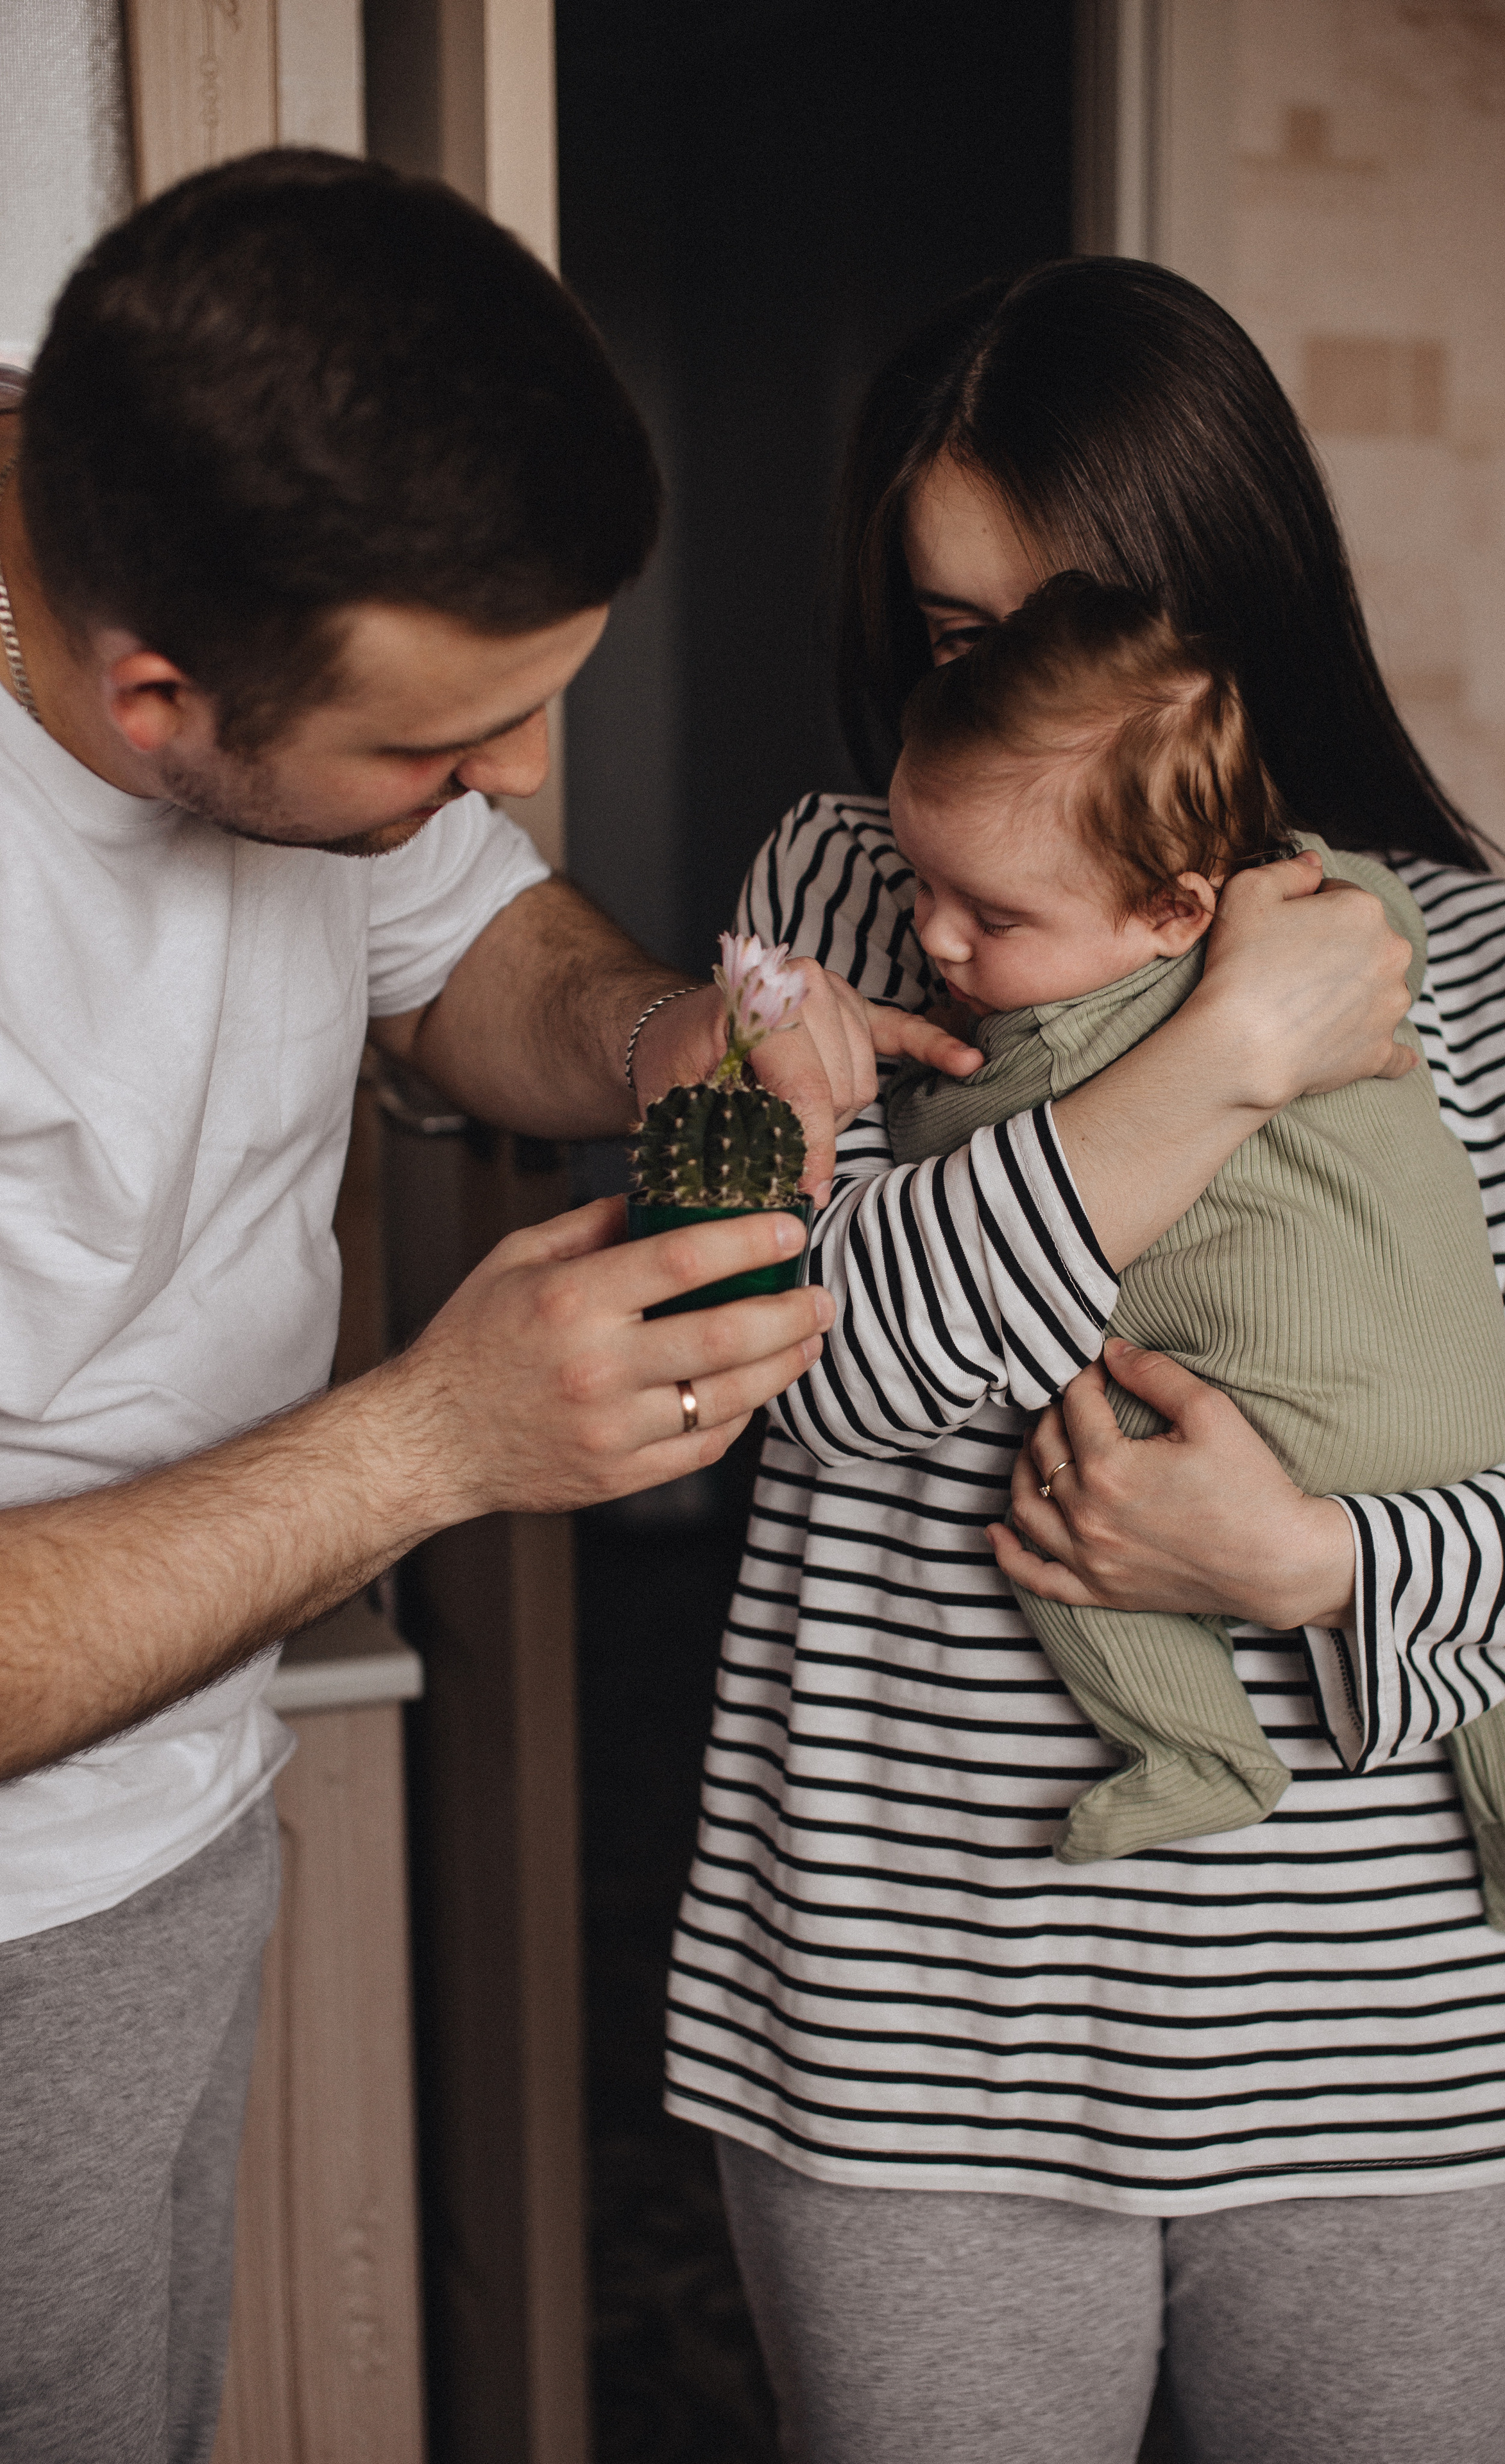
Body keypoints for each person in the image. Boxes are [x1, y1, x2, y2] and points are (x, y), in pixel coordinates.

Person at [0, 150, 965, 2464]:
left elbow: (468, 945)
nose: (516, 780)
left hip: (171, 1818)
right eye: (450, 746)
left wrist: (659, 1041)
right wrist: (437, 1443)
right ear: (156, 702)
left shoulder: (201, 532)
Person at [664, 258, 1505, 2464]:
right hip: (911, 2031)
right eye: (950, 636)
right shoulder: (815, 896)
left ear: (1229, 596)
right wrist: (1208, 1074)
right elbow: (726, 1347)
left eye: (1072, 613)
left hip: (1416, 2046)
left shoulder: (1498, 956)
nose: (1014, 686)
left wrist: (1317, 1569)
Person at [883, 569, 1505, 1935]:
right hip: (1478, 1421)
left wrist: (900, 1086)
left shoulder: (1044, 1050)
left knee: (1072, 1514)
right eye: (921, 883)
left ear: (1170, 914)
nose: (933, 935)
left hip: (1260, 1427)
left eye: (991, 914)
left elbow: (937, 1156)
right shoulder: (1335, 918)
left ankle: (1199, 1749)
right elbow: (1395, 915)